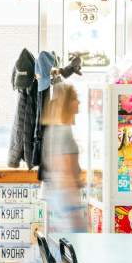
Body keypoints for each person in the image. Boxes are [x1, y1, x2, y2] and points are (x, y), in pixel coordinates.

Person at [41, 83, 87, 233]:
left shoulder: (52, 129)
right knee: (76, 242)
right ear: (68, 103)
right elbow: (65, 168)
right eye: (75, 99)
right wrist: (74, 206)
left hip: (57, 195)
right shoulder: (65, 131)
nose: (79, 102)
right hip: (67, 197)